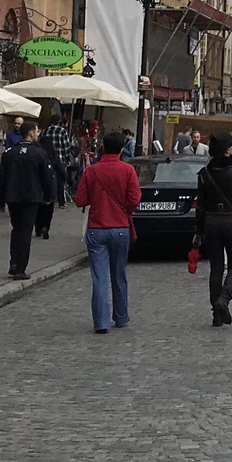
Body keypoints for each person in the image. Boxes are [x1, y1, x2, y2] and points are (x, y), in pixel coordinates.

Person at [75, 129, 141, 333]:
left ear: (103, 147)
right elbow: (134, 199)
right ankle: (121, 317)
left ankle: (101, 322)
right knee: (119, 274)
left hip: (97, 228)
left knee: (99, 277)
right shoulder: (128, 170)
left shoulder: (91, 171)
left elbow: (80, 200)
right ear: (122, 149)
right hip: (120, 228)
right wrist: (124, 211)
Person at [194, 132, 232, 326]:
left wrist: (198, 231)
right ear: (228, 149)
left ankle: (216, 312)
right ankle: (224, 299)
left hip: (211, 222)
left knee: (216, 268)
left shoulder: (205, 173)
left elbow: (201, 207)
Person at [0, 122, 60, 280]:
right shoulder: (39, 153)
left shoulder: (10, 153)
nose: (38, 134)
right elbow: (47, 178)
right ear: (31, 133)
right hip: (31, 197)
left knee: (16, 229)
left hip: (13, 197)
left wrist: (0, 200)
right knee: (25, 231)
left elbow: (1, 178)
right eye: (37, 131)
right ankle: (20, 267)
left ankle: (14, 263)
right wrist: (49, 196)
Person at [39, 116, 81, 238]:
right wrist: (69, 159)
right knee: (59, 181)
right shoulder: (62, 131)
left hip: (46, 159)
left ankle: (48, 198)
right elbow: (66, 146)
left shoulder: (45, 131)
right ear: (59, 122)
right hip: (60, 159)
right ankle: (60, 201)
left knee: (47, 181)